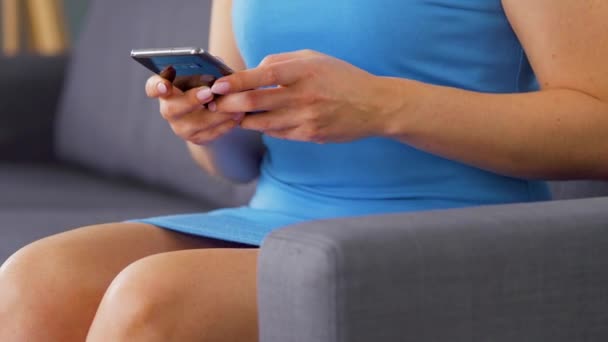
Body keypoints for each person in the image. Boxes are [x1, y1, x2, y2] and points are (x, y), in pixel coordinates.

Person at [1, 0, 607, 341]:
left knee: (154, 300)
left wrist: (386, 106)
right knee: (33, 280)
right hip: (274, 218)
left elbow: (599, 124)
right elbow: (232, 164)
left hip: (451, 231)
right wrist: (208, 123)